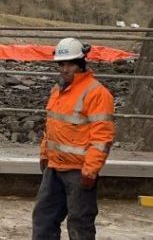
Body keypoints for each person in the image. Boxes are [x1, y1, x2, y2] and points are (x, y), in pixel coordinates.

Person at [32, 37, 115, 240]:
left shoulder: (97, 94)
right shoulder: (57, 91)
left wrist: (91, 170)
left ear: (81, 63)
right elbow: (51, 127)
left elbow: (102, 136)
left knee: (80, 224)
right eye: (61, 64)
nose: (65, 69)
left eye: (70, 64)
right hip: (54, 169)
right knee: (43, 219)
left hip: (79, 172)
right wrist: (45, 155)